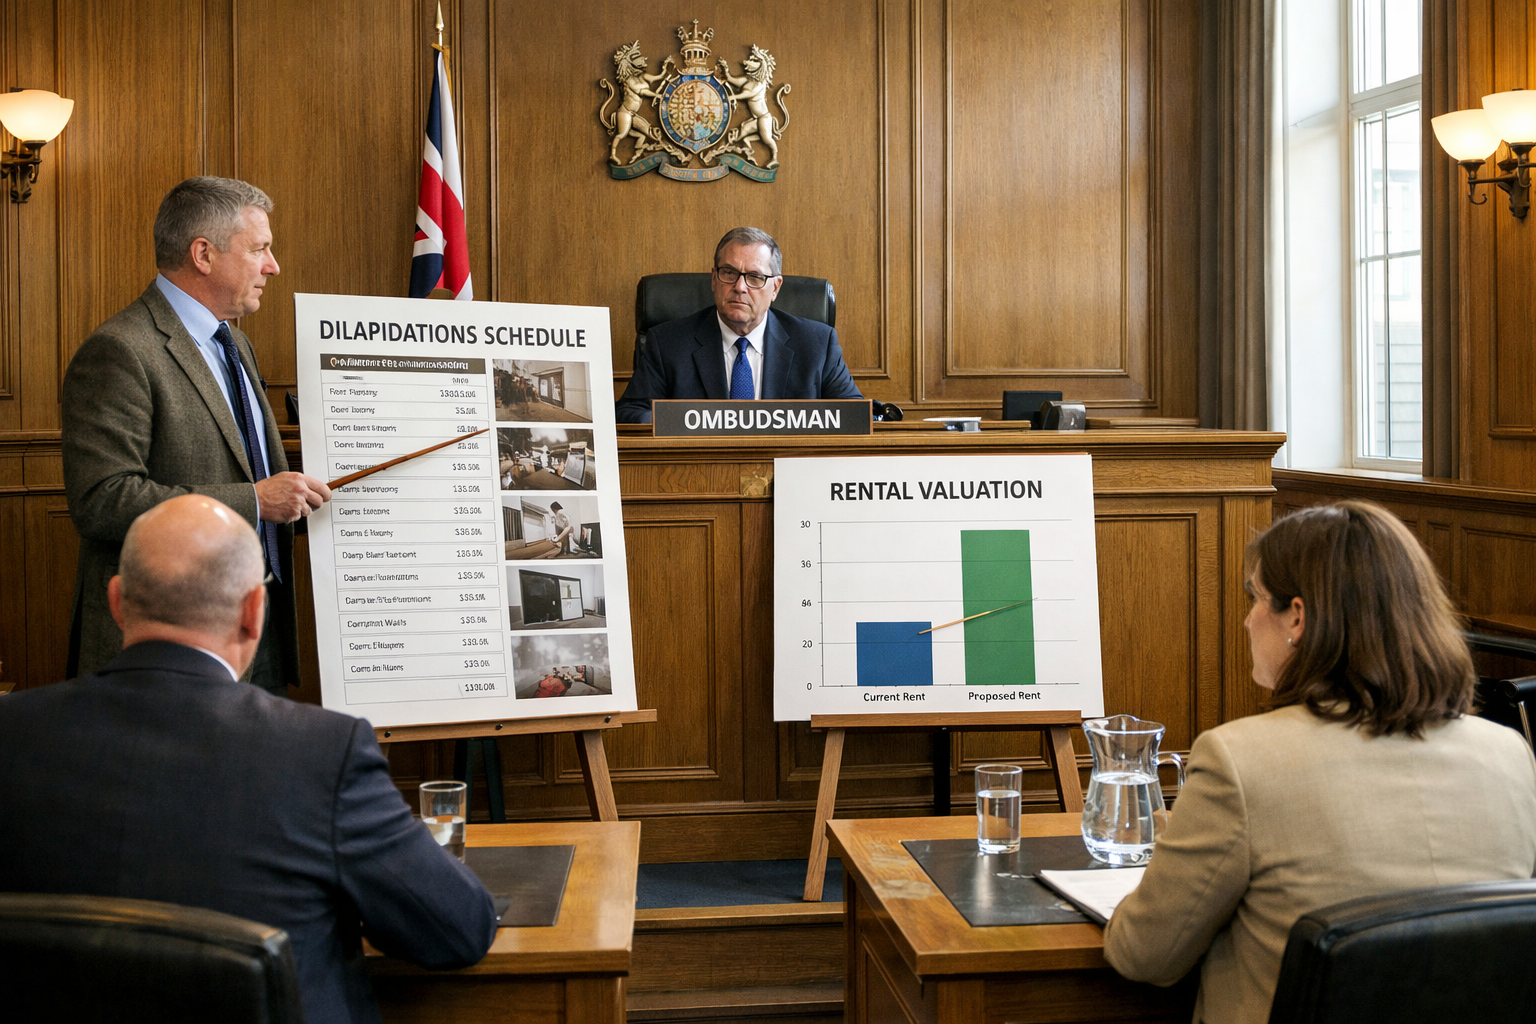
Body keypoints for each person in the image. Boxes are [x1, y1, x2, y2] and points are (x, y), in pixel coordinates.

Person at [0, 495, 497, 1024]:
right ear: (254, 611)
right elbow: (455, 931)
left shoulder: (12, 732)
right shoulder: (322, 752)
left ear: (117, 601)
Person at [1102, 501, 1536, 1024]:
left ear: (1298, 618)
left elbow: (1143, 955)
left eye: (1257, 598)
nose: (1245, 620)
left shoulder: (1238, 762)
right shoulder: (1509, 754)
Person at [62, 176, 331, 694]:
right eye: (260, 250)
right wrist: (253, 501)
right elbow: (102, 499)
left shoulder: (236, 345)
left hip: (256, 629)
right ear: (203, 254)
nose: (272, 266)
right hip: (164, 653)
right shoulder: (121, 351)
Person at [615, 226, 862, 423]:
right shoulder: (667, 343)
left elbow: (855, 416)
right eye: (729, 273)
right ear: (714, 279)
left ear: (775, 288)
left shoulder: (817, 344)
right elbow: (629, 413)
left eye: (755, 277)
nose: (740, 287)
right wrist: (686, 422)